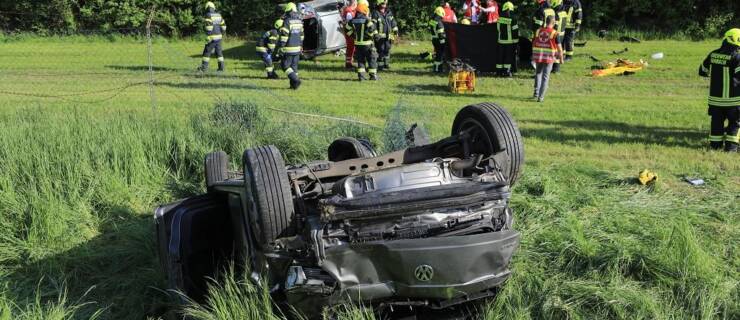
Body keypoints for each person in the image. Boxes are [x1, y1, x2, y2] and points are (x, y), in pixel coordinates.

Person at [699, 28, 740, 152]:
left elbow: (702, 71)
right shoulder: (737, 57)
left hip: (715, 101)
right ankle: (731, 149)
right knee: (735, 123)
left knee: (716, 123)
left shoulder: (713, 54)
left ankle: (715, 147)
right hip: (733, 101)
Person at [532, 15, 562, 103]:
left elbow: (534, 42)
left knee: (538, 74)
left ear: (546, 21)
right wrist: (561, 59)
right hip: (548, 58)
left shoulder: (538, 31)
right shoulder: (555, 33)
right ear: (553, 22)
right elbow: (560, 48)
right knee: (545, 77)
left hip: (538, 56)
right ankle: (540, 98)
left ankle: (536, 94)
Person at [346, 3, 379, 80]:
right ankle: (373, 76)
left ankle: (361, 76)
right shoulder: (367, 20)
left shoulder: (352, 21)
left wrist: (353, 36)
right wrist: (373, 36)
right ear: (364, 11)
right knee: (371, 59)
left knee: (360, 60)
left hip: (357, 44)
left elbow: (347, 29)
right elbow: (372, 29)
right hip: (367, 44)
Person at [276, 2, 304, 89]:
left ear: (290, 11)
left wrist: (281, 46)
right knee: (294, 67)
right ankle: (294, 86)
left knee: (285, 66)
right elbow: (302, 35)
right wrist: (301, 45)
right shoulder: (300, 21)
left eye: (287, 11)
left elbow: (285, 35)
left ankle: (296, 80)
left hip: (289, 48)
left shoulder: (287, 21)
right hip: (297, 48)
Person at [198, 1, 227, 72]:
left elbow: (209, 26)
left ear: (207, 8)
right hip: (219, 37)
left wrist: (208, 35)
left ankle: (203, 68)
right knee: (219, 52)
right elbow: (224, 27)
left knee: (207, 52)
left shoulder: (208, 15)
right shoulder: (219, 15)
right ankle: (221, 68)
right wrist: (221, 34)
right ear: (213, 7)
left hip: (212, 37)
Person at [371, 0, 398, 70]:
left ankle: (386, 64)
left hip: (388, 36)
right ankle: (380, 66)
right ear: (378, 4)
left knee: (387, 49)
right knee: (380, 51)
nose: (384, 4)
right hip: (379, 37)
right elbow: (373, 25)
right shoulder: (375, 13)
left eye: (385, 3)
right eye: (383, 3)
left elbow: (393, 22)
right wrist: (375, 34)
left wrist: (395, 30)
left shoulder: (389, 12)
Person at [496, 2, 518, 77]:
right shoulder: (513, 18)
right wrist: (516, 42)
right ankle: (506, 72)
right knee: (507, 57)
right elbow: (515, 31)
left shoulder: (499, 18)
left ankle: (498, 72)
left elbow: (498, 29)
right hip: (509, 42)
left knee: (500, 56)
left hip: (500, 41)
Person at [550, 0, 568, 73]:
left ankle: (555, 69)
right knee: (559, 50)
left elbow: (555, 25)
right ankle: (556, 69)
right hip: (562, 33)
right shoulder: (564, 12)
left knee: (555, 51)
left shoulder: (556, 13)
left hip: (557, 33)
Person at [341, 0, 358, 68]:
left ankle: (350, 62)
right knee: (351, 47)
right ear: (353, 3)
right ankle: (348, 64)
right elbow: (350, 22)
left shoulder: (349, 10)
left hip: (350, 32)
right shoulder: (349, 11)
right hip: (350, 32)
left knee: (352, 47)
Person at [430, 6, 447, 72]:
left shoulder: (432, 21)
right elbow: (441, 34)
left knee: (438, 54)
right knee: (440, 55)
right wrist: (443, 43)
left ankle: (437, 68)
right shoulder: (439, 22)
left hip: (434, 39)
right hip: (439, 40)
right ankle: (437, 69)